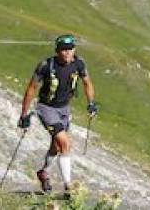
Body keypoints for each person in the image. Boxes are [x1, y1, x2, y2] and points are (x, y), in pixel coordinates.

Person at [18, 34, 97, 195]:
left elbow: (87, 83)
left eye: (70, 49)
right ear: (57, 51)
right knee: (65, 143)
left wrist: (91, 103)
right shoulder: (46, 65)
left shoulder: (79, 63)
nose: (67, 53)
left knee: (56, 147)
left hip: (64, 109)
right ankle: (68, 187)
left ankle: (44, 172)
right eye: (64, 50)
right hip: (46, 108)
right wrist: (24, 114)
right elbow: (31, 88)